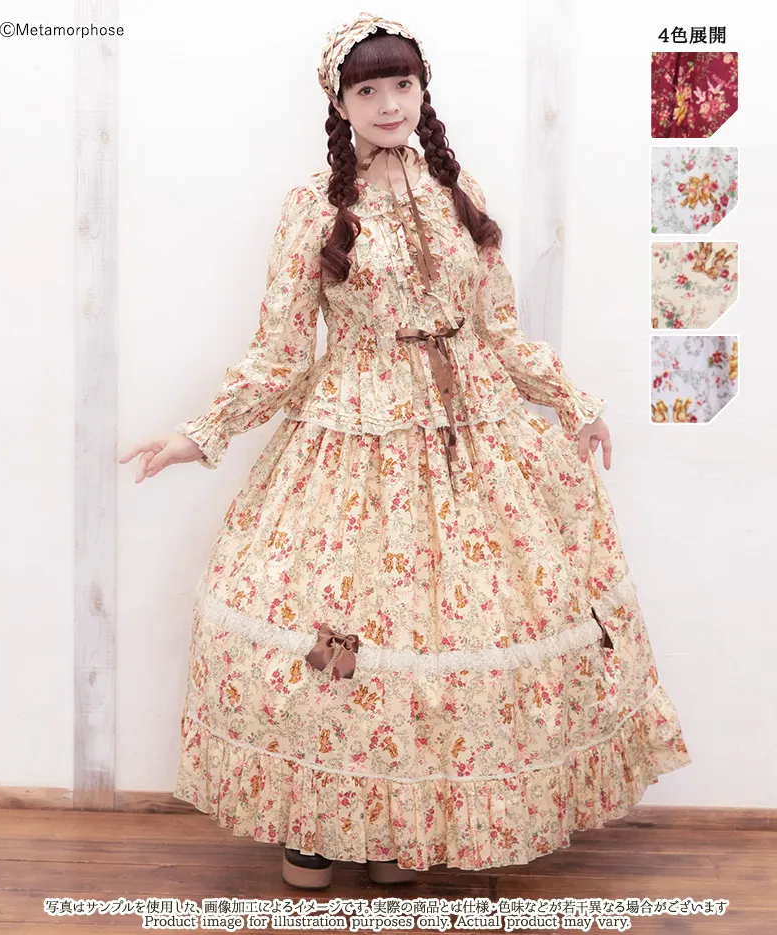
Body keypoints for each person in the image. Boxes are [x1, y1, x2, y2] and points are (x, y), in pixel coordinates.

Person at [120, 11, 691, 890]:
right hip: (353, 439)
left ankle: (402, 822)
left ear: (423, 91)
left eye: (403, 84)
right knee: (343, 631)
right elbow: (280, 353)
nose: (389, 103)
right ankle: (317, 829)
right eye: (368, 89)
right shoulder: (312, 208)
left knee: (450, 636)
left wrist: (574, 402)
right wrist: (198, 434)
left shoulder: (461, 193)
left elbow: (500, 331)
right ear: (339, 102)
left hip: (473, 439)